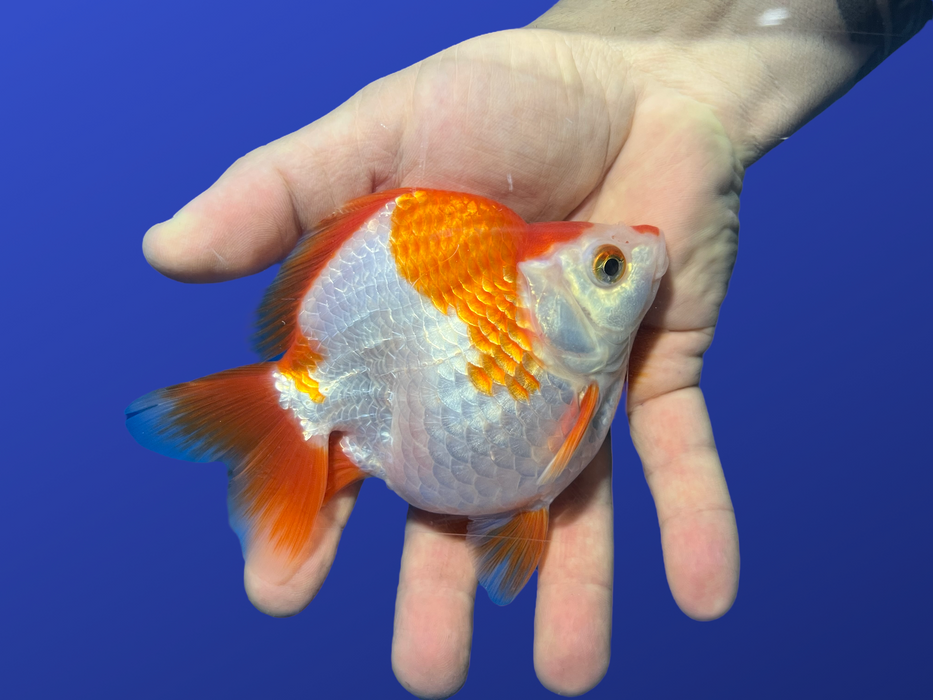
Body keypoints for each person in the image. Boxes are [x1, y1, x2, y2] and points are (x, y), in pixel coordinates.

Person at [141, 1, 931, 697]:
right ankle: (286, 419)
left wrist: (672, 70)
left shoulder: (572, 359)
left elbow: (541, 455)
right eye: (611, 268)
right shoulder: (524, 324)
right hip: (355, 396)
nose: (644, 258)